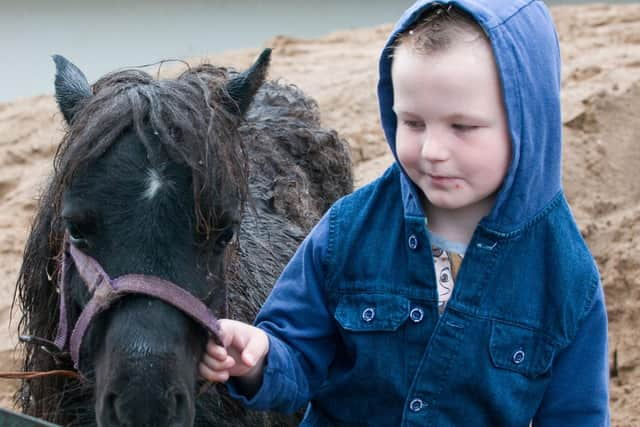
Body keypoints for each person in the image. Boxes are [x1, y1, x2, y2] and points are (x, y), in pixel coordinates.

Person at [199, 1, 611, 425]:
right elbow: (297, 353)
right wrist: (257, 357)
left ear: (528, 121)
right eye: (413, 123)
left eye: (462, 127)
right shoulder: (349, 230)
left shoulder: (567, 275)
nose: (432, 151)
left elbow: (576, 413)